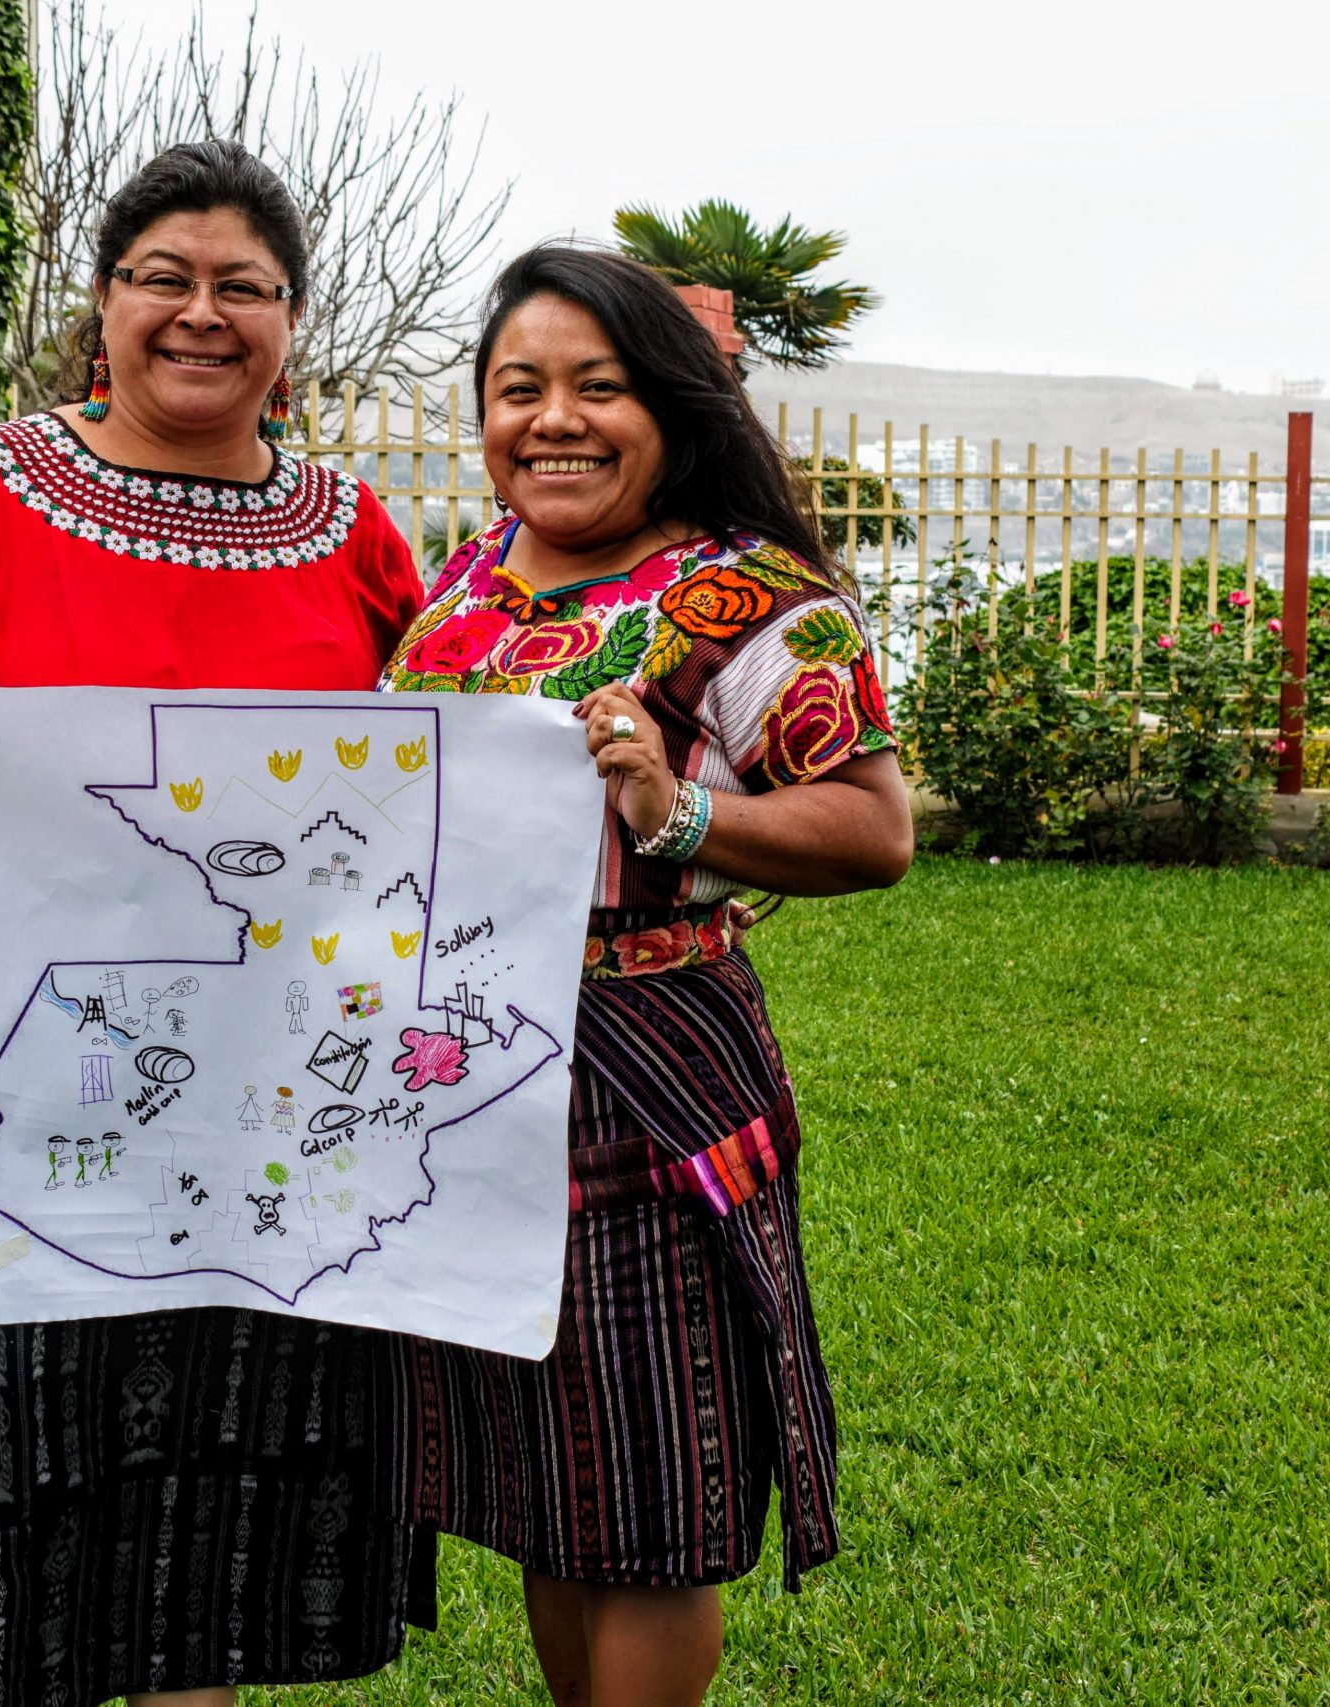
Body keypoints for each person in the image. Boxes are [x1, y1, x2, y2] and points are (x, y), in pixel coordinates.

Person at [0, 140, 436, 1707]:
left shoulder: (350, 529)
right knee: (22, 1388)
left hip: (276, 1031)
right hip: (30, 1008)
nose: (201, 314)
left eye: (243, 287)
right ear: (106, 302)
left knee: (230, 1392)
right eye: (163, 279)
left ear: (292, 321)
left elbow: (450, 723)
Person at [382, 247, 916, 1706]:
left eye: (597, 387)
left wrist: (677, 813)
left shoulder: (750, 603)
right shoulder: (466, 585)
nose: (554, 420)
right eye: (519, 388)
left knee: (657, 1490)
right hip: (473, 1073)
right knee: (554, 1476)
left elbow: (873, 831)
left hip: (649, 1074)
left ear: (671, 408)